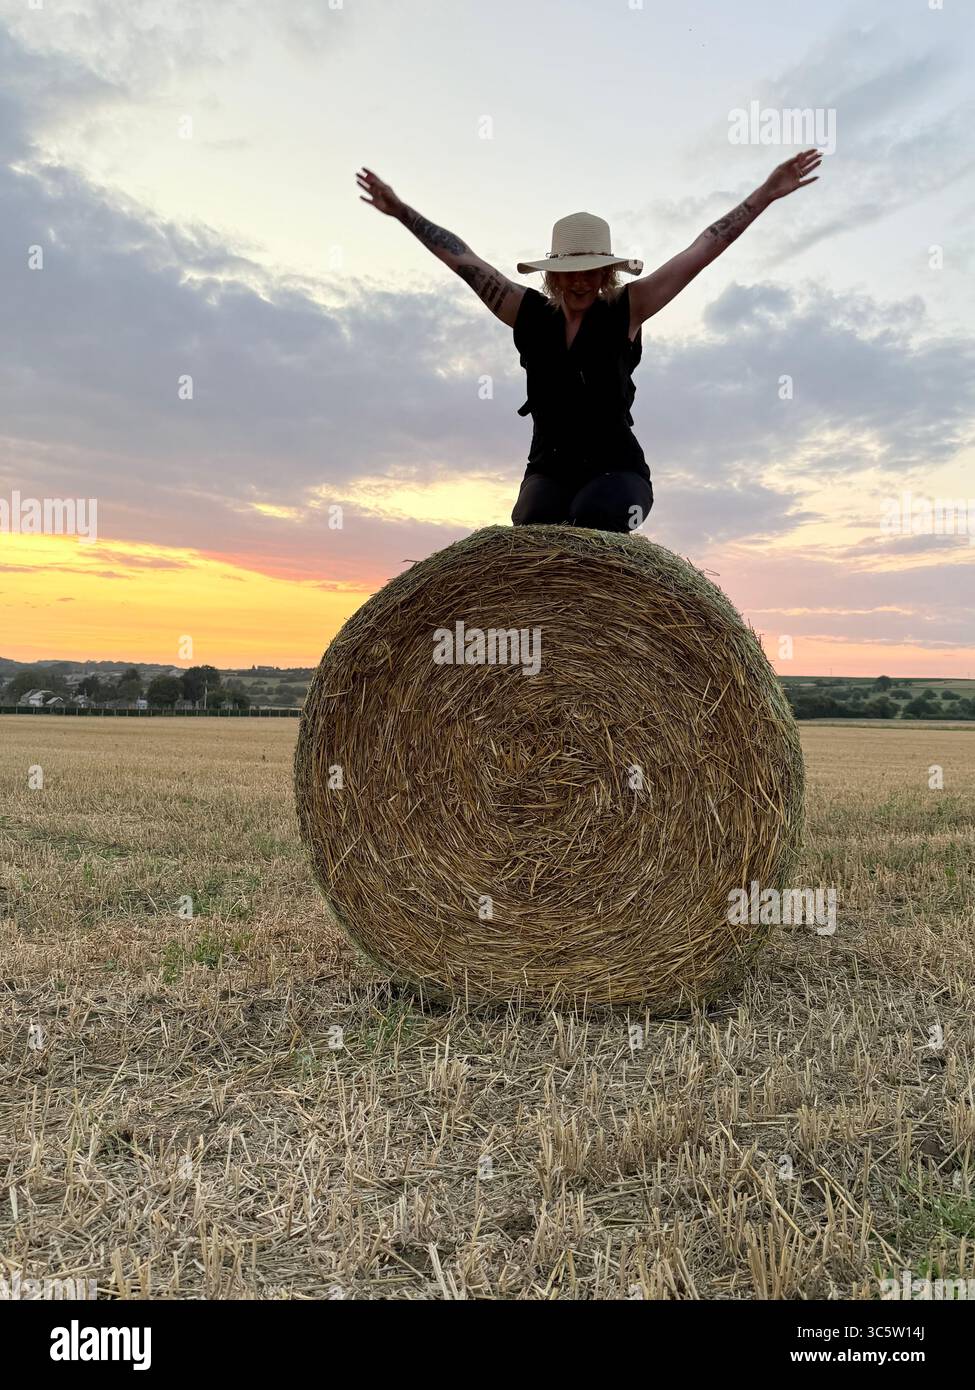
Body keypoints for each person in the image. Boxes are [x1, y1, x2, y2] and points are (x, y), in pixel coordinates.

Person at [356, 150, 822, 533]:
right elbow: (462, 260)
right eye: (568, 273)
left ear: (606, 272)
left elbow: (701, 252)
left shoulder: (628, 308)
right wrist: (401, 212)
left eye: (590, 272)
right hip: (548, 469)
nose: (579, 283)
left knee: (591, 520)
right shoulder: (527, 314)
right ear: (553, 276)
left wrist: (765, 195)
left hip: (617, 471)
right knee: (535, 529)